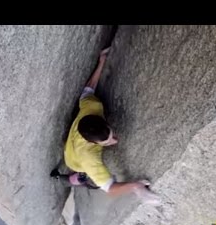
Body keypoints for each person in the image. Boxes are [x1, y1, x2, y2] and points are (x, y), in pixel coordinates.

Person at [51, 47, 160, 204]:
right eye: (108, 141)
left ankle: (62, 176)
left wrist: (101, 62)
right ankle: (60, 178)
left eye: (111, 134)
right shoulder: (88, 158)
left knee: (83, 176)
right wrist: (136, 186)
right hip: (75, 161)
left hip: (72, 147)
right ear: (93, 143)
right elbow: (110, 189)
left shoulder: (93, 107)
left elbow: (89, 88)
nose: (114, 140)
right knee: (81, 178)